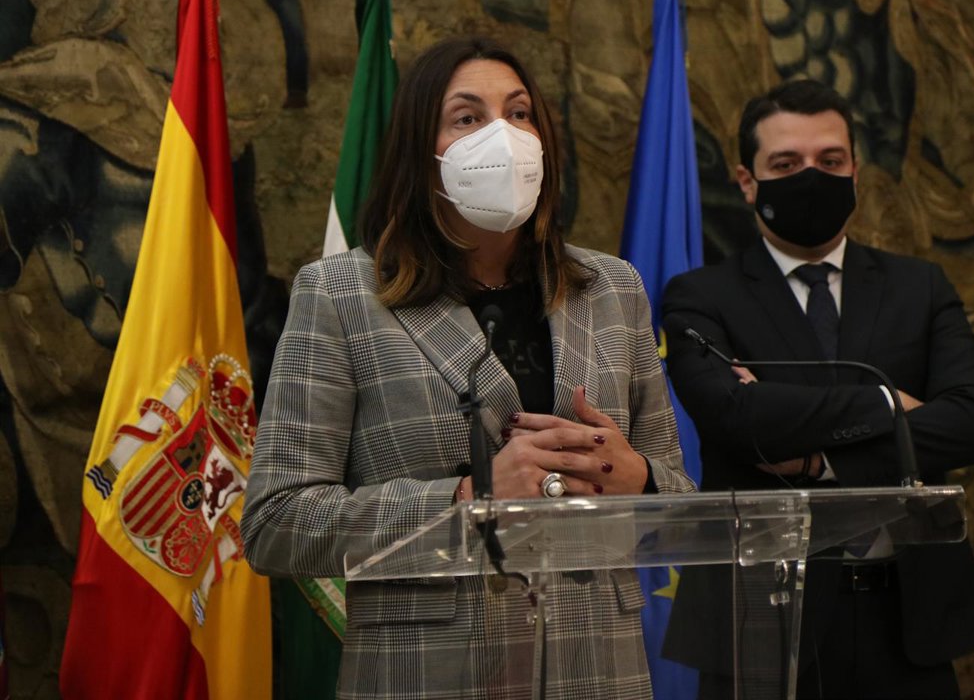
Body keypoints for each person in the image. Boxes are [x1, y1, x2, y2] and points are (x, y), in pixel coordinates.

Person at [241, 37, 693, 699]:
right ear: (420, 153)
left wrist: (639, 480)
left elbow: (680, 506)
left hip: (597, 668)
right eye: (467, 117)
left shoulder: (611, 287)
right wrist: (465, 498)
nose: (502, 136)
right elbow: (276, 523)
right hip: (428, 671)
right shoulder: (340, 295)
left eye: (519, 113)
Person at [660, 79, 974, 698]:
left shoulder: (919, 287)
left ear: (855, 173)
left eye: (830, 161)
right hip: (759, 625)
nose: (812, 178)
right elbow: (737, 420)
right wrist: (888, 403)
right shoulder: (700, 297)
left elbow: (973, 423)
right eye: (786, 165)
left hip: (908, 621)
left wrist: (819, 459)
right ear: (747, 181)